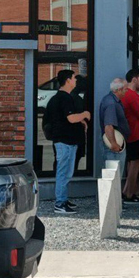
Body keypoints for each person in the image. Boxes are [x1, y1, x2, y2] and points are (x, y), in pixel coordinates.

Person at [48, 70, 90, 214]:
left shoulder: (59, 97)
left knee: (66, 172)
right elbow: (71, 118)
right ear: (67, 80)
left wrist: (81, 121)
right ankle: (60, 203)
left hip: (66, 140)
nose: (75, 80)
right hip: (64, 141)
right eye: (73, 78)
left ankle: (63, 199)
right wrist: (84, 115)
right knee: (63, 172)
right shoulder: (64, 98)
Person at [120, 70, 139, 204]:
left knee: (132, 163)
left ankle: (127, 191)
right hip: (136, 134)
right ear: (135, 79)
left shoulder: (125, 95)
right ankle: (129, 194)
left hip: (131, 134)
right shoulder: (132, 96)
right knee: (136, 164)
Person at [99, 77, 130, 179]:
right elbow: (108, 125)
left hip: (116, 143)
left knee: (113, 177)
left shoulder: (111, 100)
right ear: (119, 90)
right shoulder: (111, 103)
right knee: (113, 178)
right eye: (125, 89)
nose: (127, 91)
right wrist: (114, 144)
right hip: (114, 146)